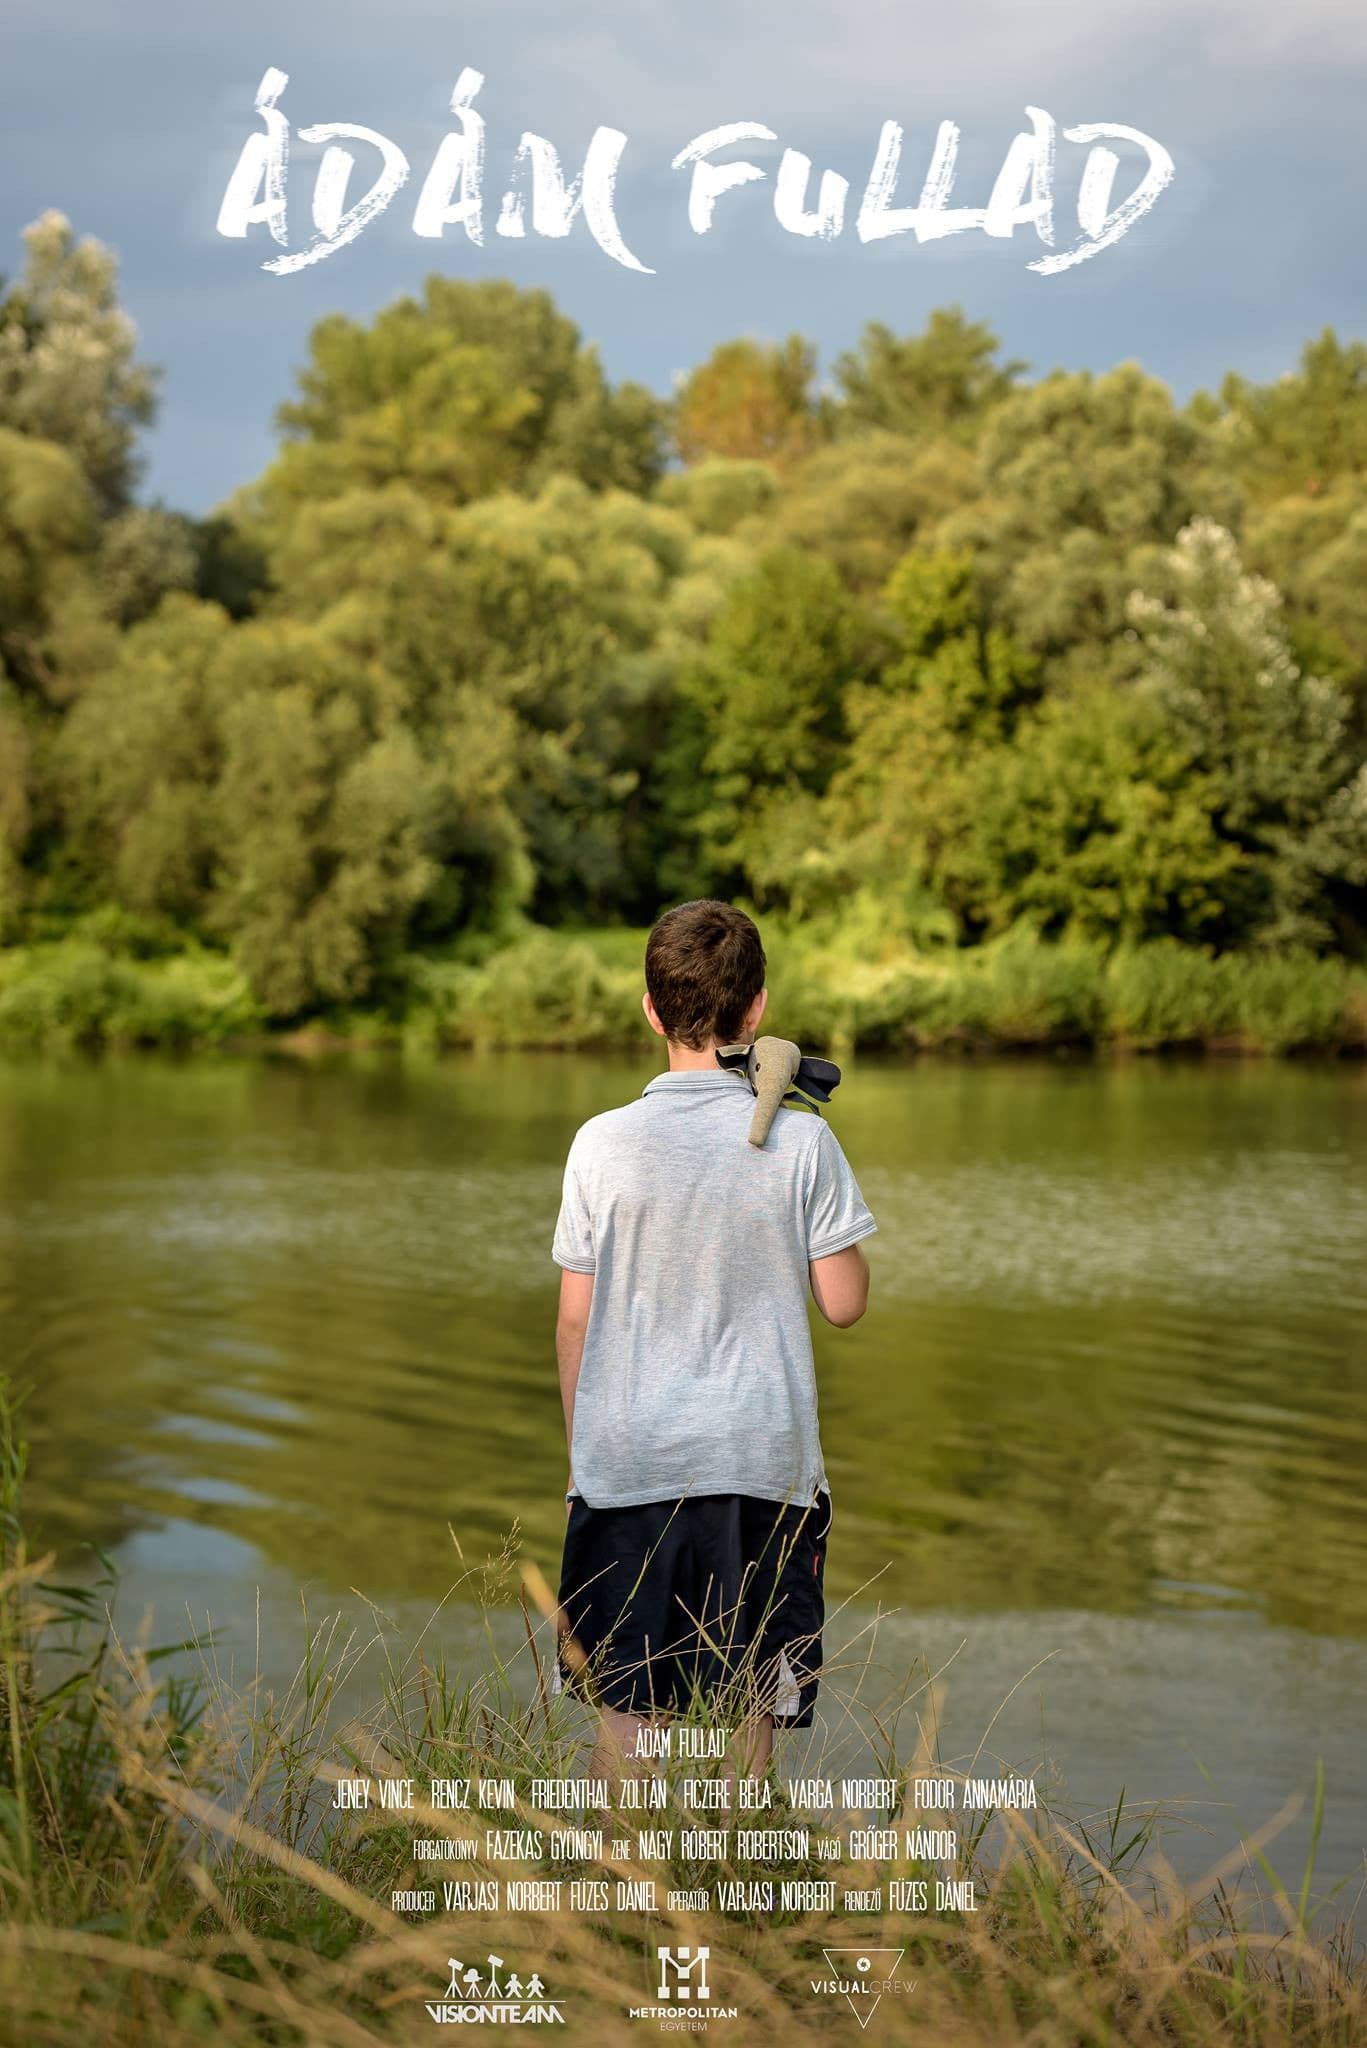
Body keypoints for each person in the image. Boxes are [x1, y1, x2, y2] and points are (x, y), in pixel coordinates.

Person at [550, 899, 876, 1781]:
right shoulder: (801, 1138)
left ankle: (622, 1871)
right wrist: (804, 1140)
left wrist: (584, 1465)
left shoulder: (599, 1143)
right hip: (757, 1470)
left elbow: (574, 1321)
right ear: (757, 1008)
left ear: (651, 1011)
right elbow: (844, 1303)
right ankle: (733, 1869)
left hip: (624, 1468)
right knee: (744, 1720)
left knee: (627, 1720)